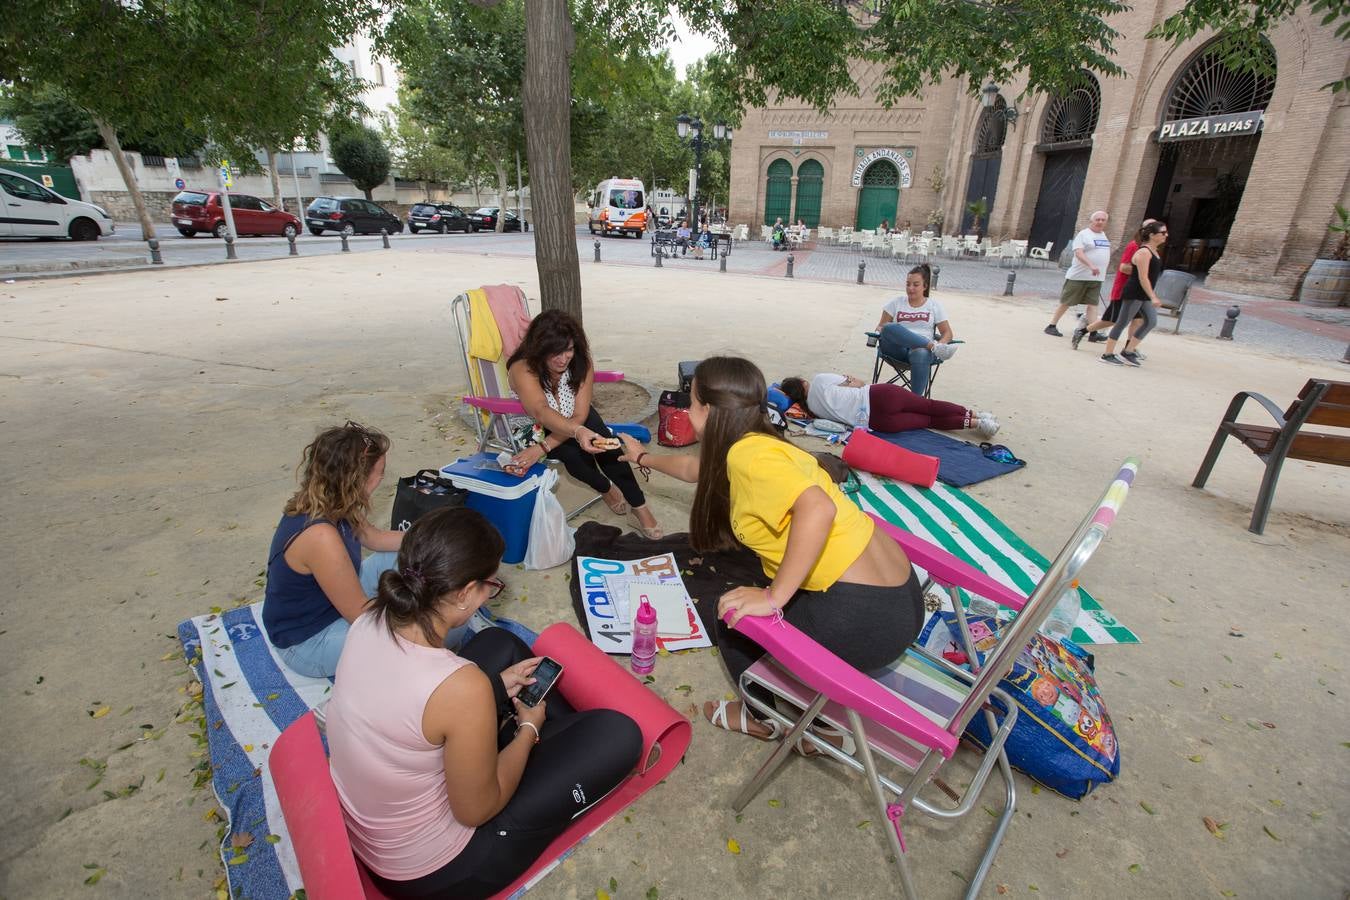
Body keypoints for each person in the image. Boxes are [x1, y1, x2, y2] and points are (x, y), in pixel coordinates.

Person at [327, 507, 642, 900]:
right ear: (463, 593)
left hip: (383, 833)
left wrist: (491, 692)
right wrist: (528, 731)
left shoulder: (371, 618)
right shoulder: (461, 688)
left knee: (501, 645)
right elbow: (475, 811)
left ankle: (551, 740)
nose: (488, 594)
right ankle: (547, 739)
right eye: (489, 585)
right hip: (443, 869)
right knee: (621, 734)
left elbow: (414, 700)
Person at [615, 357, 926, 747]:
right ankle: (820, 722)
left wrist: (774, 596)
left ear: (709, 411)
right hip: (904, 599)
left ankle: (761, 716)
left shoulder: (747, 458)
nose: (686, 411)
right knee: (752, 588)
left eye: (691, 403)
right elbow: (695, 470)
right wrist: (641, 456)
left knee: (731, 612)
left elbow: (819, 509)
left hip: (866, 622)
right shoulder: (757, 442)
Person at [261, 421, 405, 678]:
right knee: (416, 639)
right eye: (379, 472)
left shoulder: (334, 502)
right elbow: (361, 616)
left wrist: (436, 538)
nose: (381, 479)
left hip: (330, 606)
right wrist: (422, 615)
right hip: (308, 643)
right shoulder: (320, 536)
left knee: (405, 556)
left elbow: (376, 538)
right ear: (356, 479)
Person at [506, 310, 662, 539]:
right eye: (554, 353)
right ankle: (606, 488)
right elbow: (541, 410)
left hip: (577, 418)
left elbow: (580, 414)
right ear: (539, 351)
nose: (563, 359)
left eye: (568, 350)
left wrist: (562, 439)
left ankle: (639, 506)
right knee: (575, 459)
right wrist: (556, 441)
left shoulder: (581, 362)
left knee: (609, 448)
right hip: (540, 424)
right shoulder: (523, 369)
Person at [778, 374, 999, 438]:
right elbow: (857, 382)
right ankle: (977, 415)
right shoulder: (819, 380)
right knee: (929, 405)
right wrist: (851, 383)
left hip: (878, 422)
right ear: (803, 383)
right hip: (879, 396)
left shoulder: (813, 412)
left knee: (929, 420)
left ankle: (977, 423)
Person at [874, 264, 957, 397]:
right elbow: (880, 327)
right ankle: (933, 347)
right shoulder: (896, 302)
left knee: (921, 353)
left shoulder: (934, 305)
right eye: (908, 284)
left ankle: (915, 402)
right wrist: (882, 330)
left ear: (924, 286)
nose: (910, 288)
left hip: (920, 353)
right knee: (888, 327)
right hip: (896, 350)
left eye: (915, 284)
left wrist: (942, 343)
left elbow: (948, 333)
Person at [1073, 219, 1156, 351]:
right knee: (1112, 320)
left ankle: (1129, 348)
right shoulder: (1134, 246)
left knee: (1138, 320)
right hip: (1125, 290)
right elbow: (1123, 267)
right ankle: (1083, 331)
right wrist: (1143, 271)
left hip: (1140, 292)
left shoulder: (1151, 249)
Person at [1102, 221, 1168, 367]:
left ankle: (1128, 351)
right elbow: (1142, 277)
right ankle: (1107, 354)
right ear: (1152, 235)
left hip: (1143, 294)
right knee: (1122, 323)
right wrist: (1153, 296)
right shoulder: (1144, 252)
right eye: (1162, 233)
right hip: (1135, 292)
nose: (1166, 235)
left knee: (1151, 321)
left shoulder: (1154, 251)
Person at [1045, 210, 1111, 337]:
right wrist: (1091, 265)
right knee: (1067, 302)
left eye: (1103, 220)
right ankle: (1052, 325)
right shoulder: (1084, 234)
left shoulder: (1103, 235)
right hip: (1079, 276)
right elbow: (1079, 253)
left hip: (1096, 278)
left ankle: (1093, 332)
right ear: (1091, 221)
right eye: (1098, 219)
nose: (1100, 222)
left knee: (1093, 304)